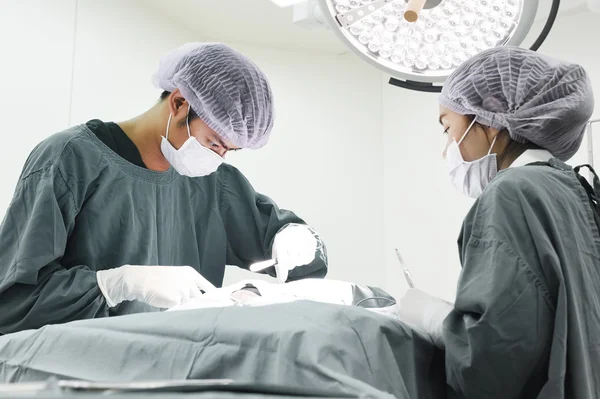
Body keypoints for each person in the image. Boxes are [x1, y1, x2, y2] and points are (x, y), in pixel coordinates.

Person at [0, 43, 327, 334]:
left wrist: (294, 238)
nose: (219, 157)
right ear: (179, 103)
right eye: (213, 142)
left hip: (179, 369)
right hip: (80, 374)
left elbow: (278, 239)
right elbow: (15, 302)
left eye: (229, 150)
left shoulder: (213, 183)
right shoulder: (70, 158)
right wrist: (118, 284)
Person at [397, 46, 599, 398]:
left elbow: (492, 359)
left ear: (487, 121)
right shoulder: (574, 188)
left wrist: (429, 317)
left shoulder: (513, 192)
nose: (447, 149)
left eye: (448, 129)